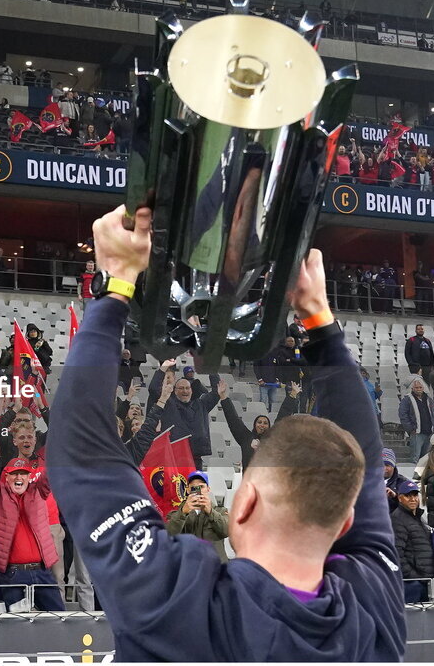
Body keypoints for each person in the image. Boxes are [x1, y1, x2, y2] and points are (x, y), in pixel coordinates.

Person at [48, 204, 404, 660]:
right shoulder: (375, 618)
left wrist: (116, 281)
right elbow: (368, 470)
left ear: (245, 502)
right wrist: (319, 319)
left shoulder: (177, 605)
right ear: (346, 522)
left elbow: (80, 450)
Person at [0, 445, 64, 612]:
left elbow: (50, 473)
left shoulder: (38, 491)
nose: (19, 477)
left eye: (23, 474)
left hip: (41, 572)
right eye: (15, 474)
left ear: (28, 477)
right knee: (15, 627)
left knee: (58, 618)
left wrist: (58, 442)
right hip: (13, 575)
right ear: (6, 477)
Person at [165, 471, 230, 562]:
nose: (198, 490)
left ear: (208, 489)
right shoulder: (176, 514)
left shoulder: (221, 511)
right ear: (187, 490)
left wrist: (211, 512)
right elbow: (168, 536)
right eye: (194, 487)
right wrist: (183, 513)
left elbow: (227, 531)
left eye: (202, 487)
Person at [390, 479, 434, 603]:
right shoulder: (397, 519)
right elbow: (397, 553)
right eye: (408, 496)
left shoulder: (418, 518)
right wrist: (414, 577)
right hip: (412, 584)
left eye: (415, 495)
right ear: (399, 498)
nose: (413, 499)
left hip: (427, 581)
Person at [400, 375, 434, 459]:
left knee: (425, 459)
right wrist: (411, 429)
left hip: (429, 432)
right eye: (416, 387)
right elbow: (403, 415)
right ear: (412, 388)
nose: (418, 389)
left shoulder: (429, 399)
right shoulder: (407, 399)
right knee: (415, 458)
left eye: (420, 387)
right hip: (416, 434)